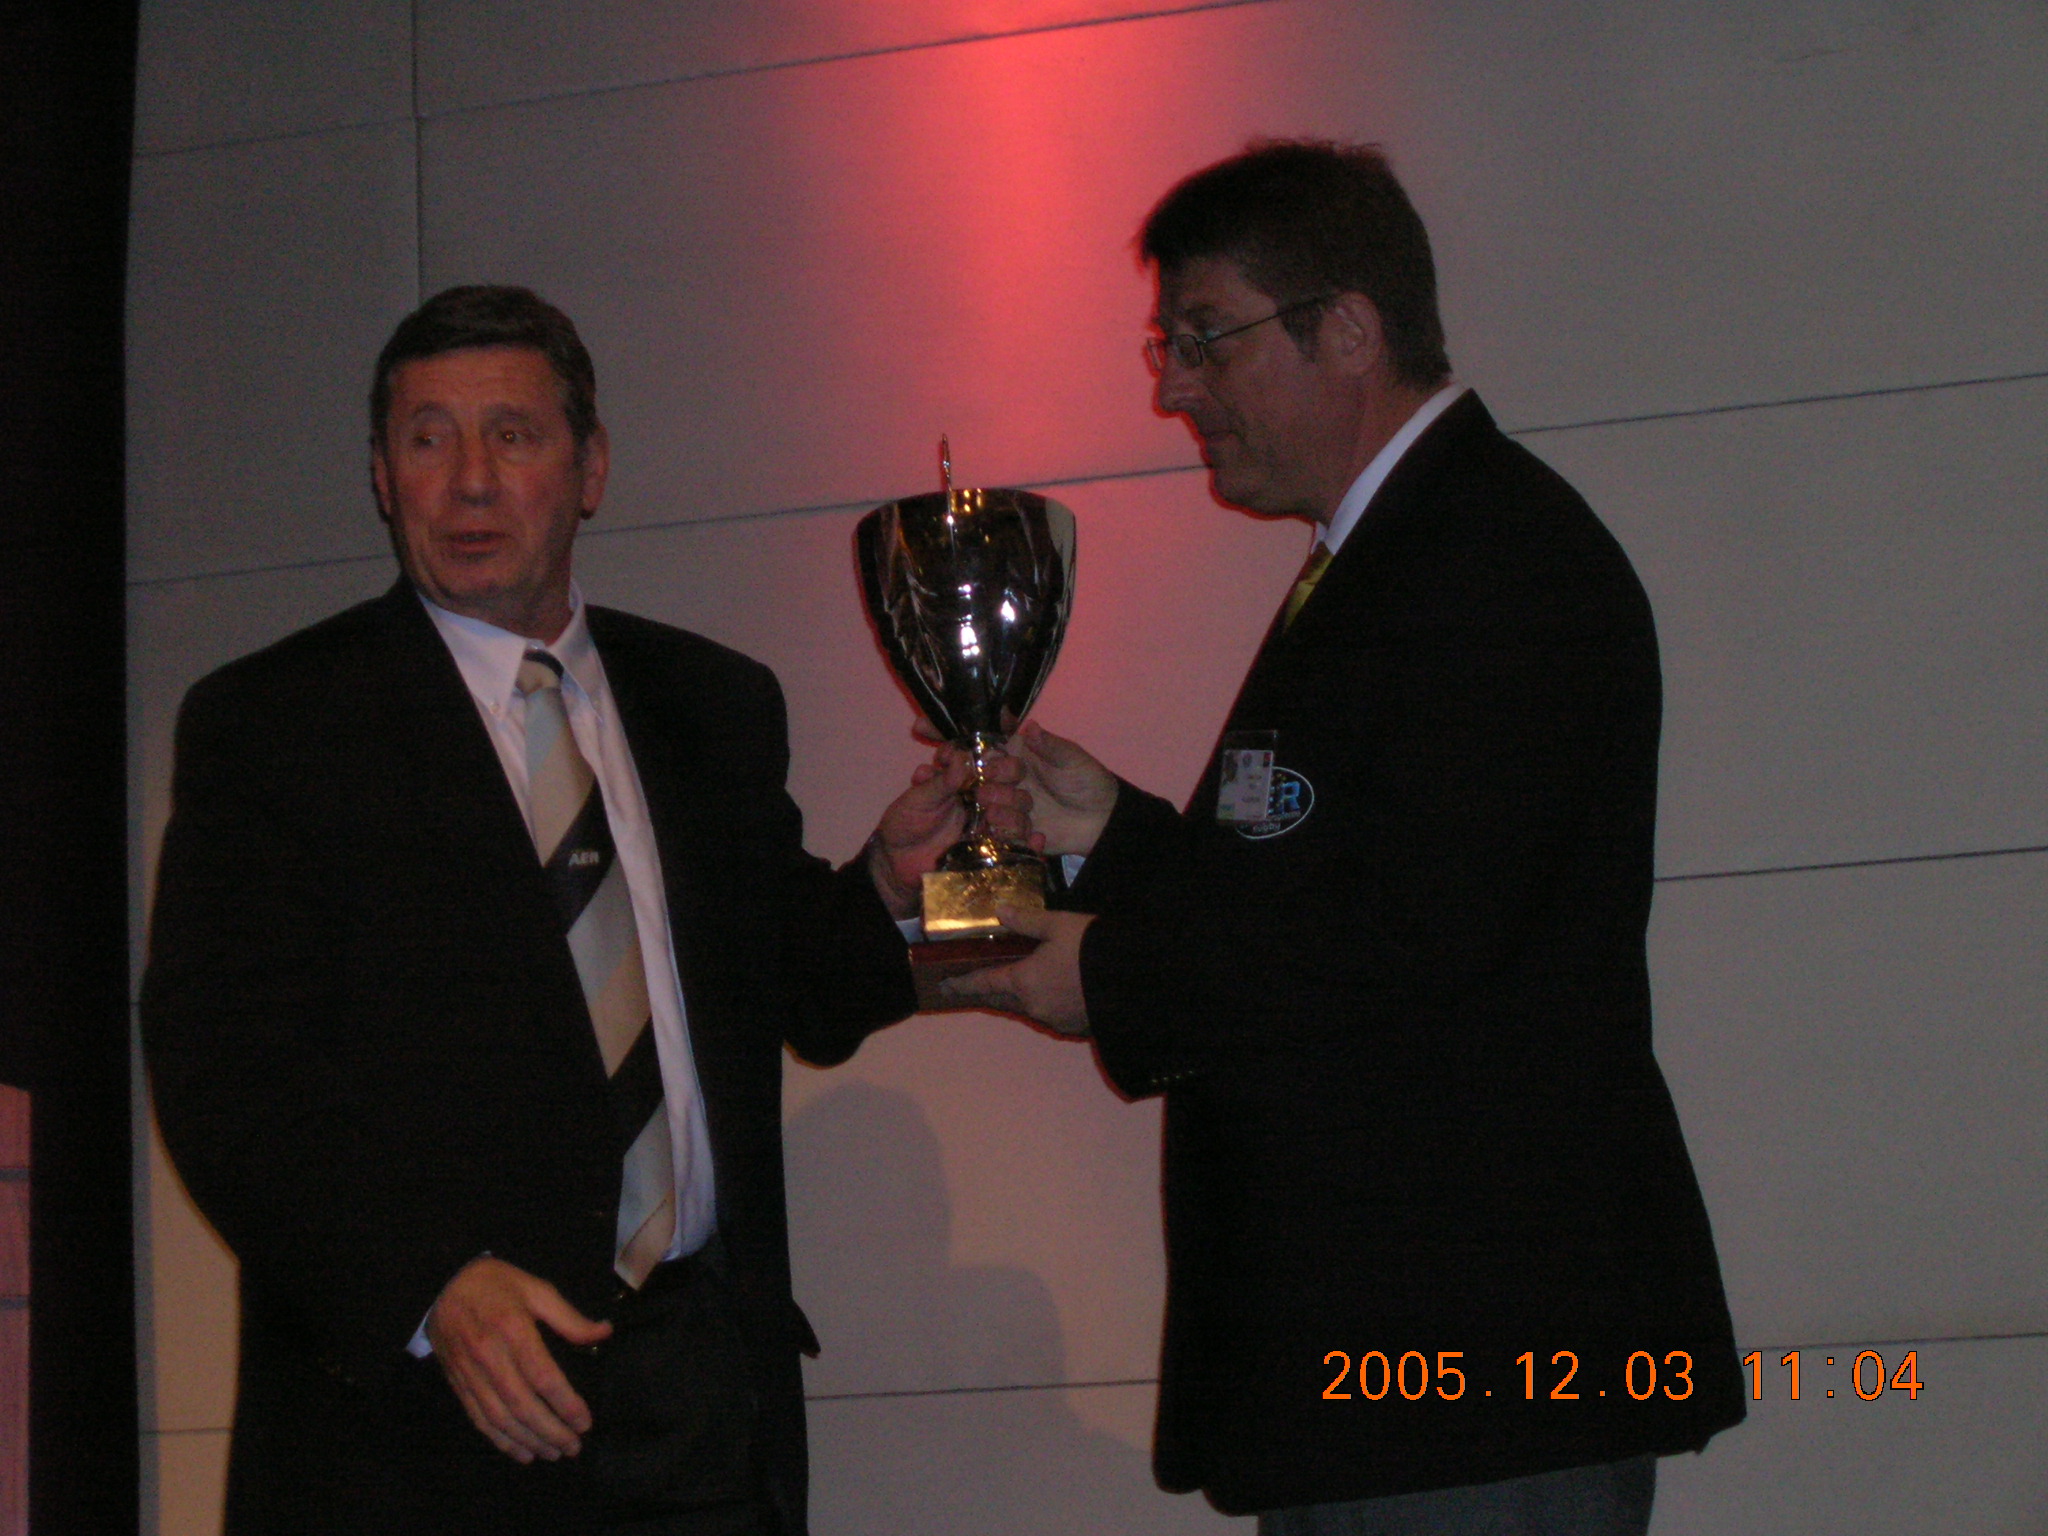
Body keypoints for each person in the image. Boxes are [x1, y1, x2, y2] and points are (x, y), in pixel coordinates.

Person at [950, 142, 1747, 1534]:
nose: (1172, 387)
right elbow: (1318, 891)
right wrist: (1114, 836)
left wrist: (1110, 977)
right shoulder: (1397, 557)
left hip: (1467, 1376)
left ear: (1350, 329)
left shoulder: (1495, 565)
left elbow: (1409, 937)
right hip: (1396, 1384)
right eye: (1167, 344)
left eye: (1207, 337)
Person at [141, 284, 1013, 1536]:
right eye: (428, 440)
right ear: (382, 478)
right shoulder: (276, 724)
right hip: (434, 1417)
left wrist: (887, 878)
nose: (470, 481)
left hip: (699, 1393)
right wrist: (429, 1287)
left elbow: (794, 990)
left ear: (589, 467)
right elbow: (226, 1076)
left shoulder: (710, 703)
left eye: (513, 435)